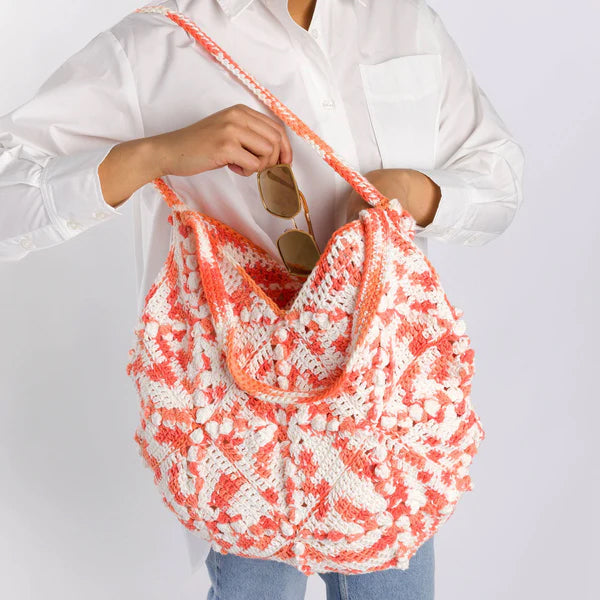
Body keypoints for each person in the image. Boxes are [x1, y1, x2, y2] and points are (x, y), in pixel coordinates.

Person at [0, 0, 525, 598]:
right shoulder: (155, 45)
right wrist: (155, 155)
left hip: (383, 412)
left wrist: (414, 190)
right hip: (241, 424)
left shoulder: (403, 23)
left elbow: (500, 177)